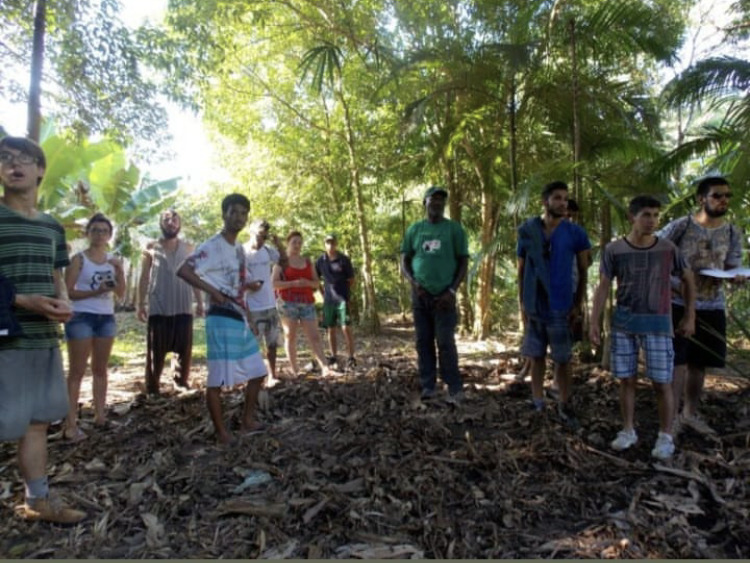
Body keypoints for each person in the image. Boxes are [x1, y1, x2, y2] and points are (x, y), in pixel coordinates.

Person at [0, 136, 85, 523]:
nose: (13, 164)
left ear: (40, 170)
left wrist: (63, 301)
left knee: (36, 422)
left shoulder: (52, 226)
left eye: (24, 158)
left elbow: (56, 275)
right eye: (5, 159)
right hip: (4, 339)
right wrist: (22, 301)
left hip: (41, 338)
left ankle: (37, 502)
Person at [590, 195, 696, 460]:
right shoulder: (614, 250)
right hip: (624, 324)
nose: (652, 221)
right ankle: (628, 430)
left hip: (659, 325)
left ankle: (665, 436)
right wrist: (594, 322)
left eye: (656, 215)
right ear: (632, 217)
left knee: (662, 382)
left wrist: (689, 316)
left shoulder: (668, 248)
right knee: (627, 380)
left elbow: (687, 279)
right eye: (646, 215)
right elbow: (603, 286)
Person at [658, 176, 746, 435]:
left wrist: (737, 277)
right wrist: (673, 282)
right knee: (678, 361)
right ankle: (670, 419)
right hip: (678, 302)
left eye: (727, 196)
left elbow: (731, 266)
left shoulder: (732, 232)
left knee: (700, 363)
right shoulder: (681, 226)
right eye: (717, 195)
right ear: (701, 199)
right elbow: (655, 251)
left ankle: (690, 415)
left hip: (712, 304)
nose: (723, 201)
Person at [176, 193, 267, 444]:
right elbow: (183, 269)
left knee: (258, 372)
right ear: (224, 214)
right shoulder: (212, 246)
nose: (238, 217)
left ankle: (247, 421)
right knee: (217, 379)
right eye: (234, 212)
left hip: (238, 317)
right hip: (220, 318)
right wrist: (213, 292)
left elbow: (239, 285)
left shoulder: (238, 248)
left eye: (243, 213)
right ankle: (222, 432)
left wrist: (249, 316)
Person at [517, 181, 591, 426]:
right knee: (536, 355)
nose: (563, 203)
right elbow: (522, 269)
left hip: (562, 304)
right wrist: (523, 306)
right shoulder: (528, 231)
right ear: (545, 201)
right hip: (535, 305)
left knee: (562, 358)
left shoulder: (575, 233)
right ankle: (537, 402)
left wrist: (577, 305)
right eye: (557, 198)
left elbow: (583, 270)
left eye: (565, 198)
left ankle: (564, 403)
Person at [400, 186, 469, 403]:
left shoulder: (454, 230)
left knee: (445, 341)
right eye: (433, 199)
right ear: (425, 203)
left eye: (441, 200)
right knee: (423, 340)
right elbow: (404, 260)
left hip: (445, 296)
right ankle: (428, 384)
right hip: (421, 295)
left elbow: (463, 261)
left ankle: (454, 385)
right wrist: (414, 283)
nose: (437, 203)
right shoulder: (414, 230)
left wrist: (451, 290)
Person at [63, 213, 126, 440]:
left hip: (105, 318)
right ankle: (70, 423)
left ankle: (100, 416)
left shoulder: (112, 260)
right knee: (77, 371)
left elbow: (120, 293)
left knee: (100, 369)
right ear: (87, 233)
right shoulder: (78, 259)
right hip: (81, 317)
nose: (99, 234)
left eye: (104, 231)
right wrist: (96, 291)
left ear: (110, 235)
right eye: (95, 230)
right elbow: (69, 291)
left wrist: (119, 271)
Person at [137, 209, 204, 395]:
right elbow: (144, 277)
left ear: (179, 224)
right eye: (166, 219)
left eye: (174, 219)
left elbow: (194, 276)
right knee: (155, 352)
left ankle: (181, 383)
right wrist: (140, 304)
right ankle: (152, 388)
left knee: (184, 349)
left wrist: (199, 302)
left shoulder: (189, 247)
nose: (171, 222)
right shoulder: (151, 247)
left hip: (183, 306)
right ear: (161, 223)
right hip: (159, 307)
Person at [272, 231, 332, 376]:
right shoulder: (281, 262)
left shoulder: (307, 261)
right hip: (287, 303)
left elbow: (316, 283)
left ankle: (325, 368)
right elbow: (274, 283)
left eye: (299, 242)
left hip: (307, 303)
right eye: (294, 242)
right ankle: (295, 370)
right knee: (290, 336)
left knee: (314, 336)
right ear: (288, 243)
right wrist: (293, 283)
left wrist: (308, 283)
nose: (297, 245)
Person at [244, 219, 286, 383]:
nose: (262, 239)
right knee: (253, 346)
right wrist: (249, 285)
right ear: (251, 231)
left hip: (270, 304)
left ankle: (272, 376)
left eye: (265, 236)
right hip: (252, 307)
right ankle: (254, 378)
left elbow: (284, 262)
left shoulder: (268, 250)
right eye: (259, 235)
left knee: (272, 344)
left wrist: (278, 243)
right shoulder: (242, 252)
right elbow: (235, 279)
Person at [315, 233, 356, 370]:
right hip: (328, 301)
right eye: (328, 242)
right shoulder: (321, 261)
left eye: (332, 242)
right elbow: (316, 279)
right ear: (324, 244)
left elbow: (351, 280)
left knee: (346, 328)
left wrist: (344, 292)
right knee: (330, 329)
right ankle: (333, 356)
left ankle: (351, 357)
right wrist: (323, 293)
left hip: (342, 300)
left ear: (336, 244)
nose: (330, 245)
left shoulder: (344, 259)